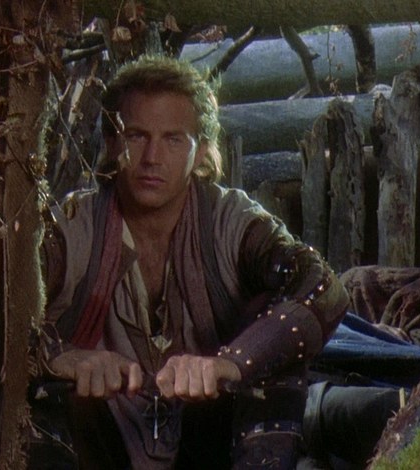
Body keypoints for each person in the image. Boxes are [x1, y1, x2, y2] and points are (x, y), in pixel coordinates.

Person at [38, 54, 349, 469]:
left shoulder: (229, 219)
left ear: (201, 150)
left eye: (173, 139)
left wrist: (231, 363)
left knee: (274, 358)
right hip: (99, 444)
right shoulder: (74, 226)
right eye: (136, 136)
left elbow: (322, 287)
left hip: (213, 442)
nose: (152, 157)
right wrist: (59, 357)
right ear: (112, 143)